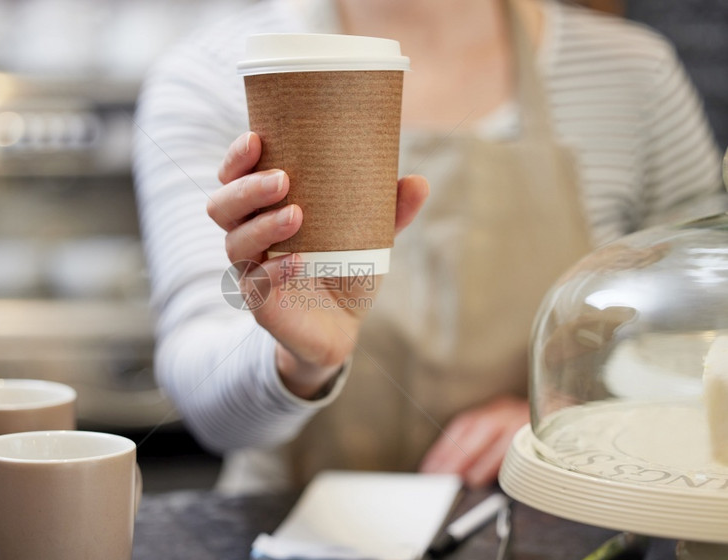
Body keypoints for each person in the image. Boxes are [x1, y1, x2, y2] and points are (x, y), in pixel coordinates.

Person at [133, 0, 725, 493]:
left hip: (558, 519)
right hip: (291, 532)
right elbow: (203, 401)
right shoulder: (215, 75)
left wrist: (576, 413)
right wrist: (298, 363)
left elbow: (706, 336)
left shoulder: (632, 75)